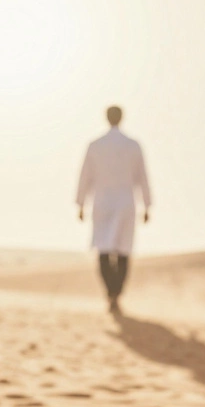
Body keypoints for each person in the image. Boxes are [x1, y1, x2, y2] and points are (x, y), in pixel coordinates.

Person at [75, 105, 151, 314]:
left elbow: (85, 177)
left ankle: (111, 293)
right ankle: (115, 293)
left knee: (105, 249)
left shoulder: (96, 145)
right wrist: (147, 204)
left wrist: (80, 203)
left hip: (103, 203)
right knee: (122, 250)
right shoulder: (133, 145)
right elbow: (143, 177)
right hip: (126, 202)